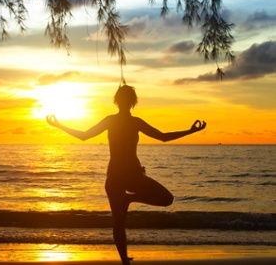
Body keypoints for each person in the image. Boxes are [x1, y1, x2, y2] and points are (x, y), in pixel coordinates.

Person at [46, 85, 206, 264]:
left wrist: (59, 125)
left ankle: (124, 259)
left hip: (116, 176)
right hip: (132, 175)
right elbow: (163, 137)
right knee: (163, 200)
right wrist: (190, 131)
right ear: (133, 102)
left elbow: (84, 136)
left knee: (119, 222)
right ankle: (130, 204)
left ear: (118, 101)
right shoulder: (133, 122)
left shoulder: (113, 121)